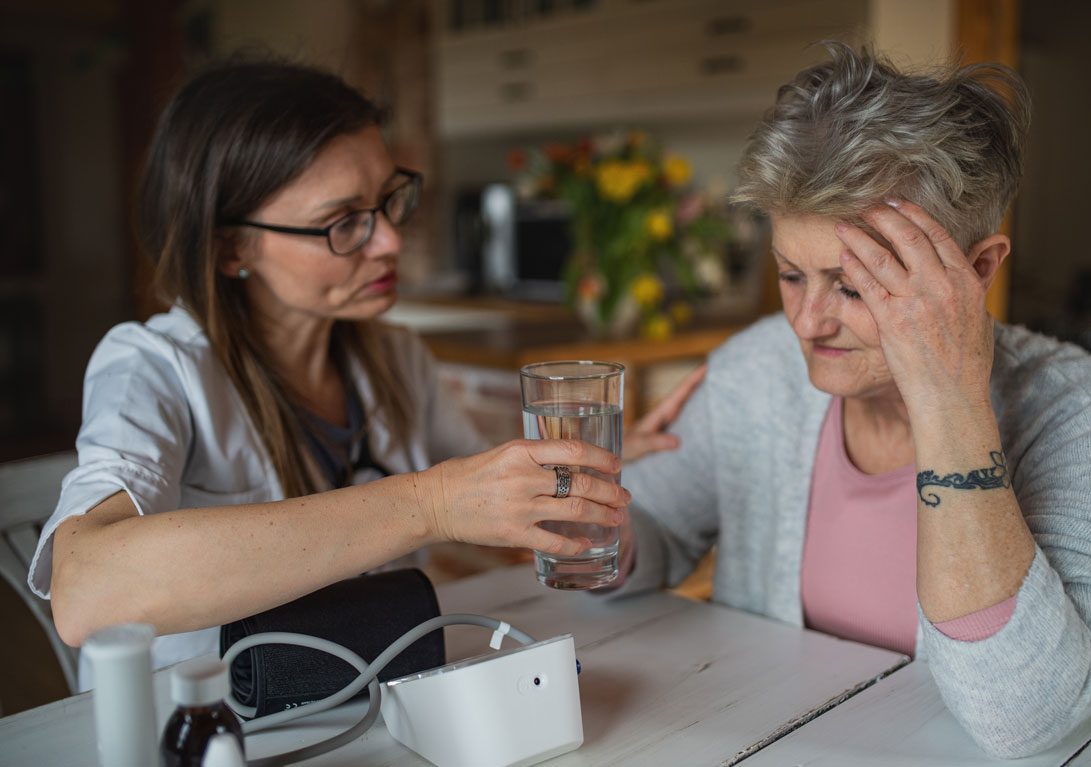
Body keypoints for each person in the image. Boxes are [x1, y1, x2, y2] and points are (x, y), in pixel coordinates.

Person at [28, 57, 695, 690]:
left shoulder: (394, 358)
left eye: (388, 199)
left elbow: (491, 484)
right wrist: (427, 503)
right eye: (343, 222)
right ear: (232, 245)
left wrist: (577, 462)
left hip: (371, 707)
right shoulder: (152, 366)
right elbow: (89, 589)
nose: (391, 241)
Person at [608, 42, 1091, 758]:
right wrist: (587, 516)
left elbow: (1022, 715)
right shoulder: (758, 366)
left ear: (977, 268)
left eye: (855, 285)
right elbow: (650, 537)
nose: (806, 323)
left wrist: (948, 395)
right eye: (791, 274)